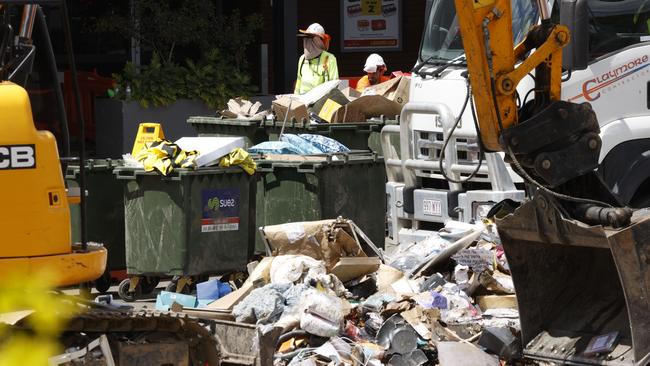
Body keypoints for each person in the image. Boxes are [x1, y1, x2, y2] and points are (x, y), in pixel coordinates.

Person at [294, 23, 339, 95]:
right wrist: (295, 101)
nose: (306, 41)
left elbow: (334, 83)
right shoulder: (302, 59)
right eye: (306, 38)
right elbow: (299, 82)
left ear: (319, 40)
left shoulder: (329, 58)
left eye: (310, 38)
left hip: (320, 101)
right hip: (303, 101)